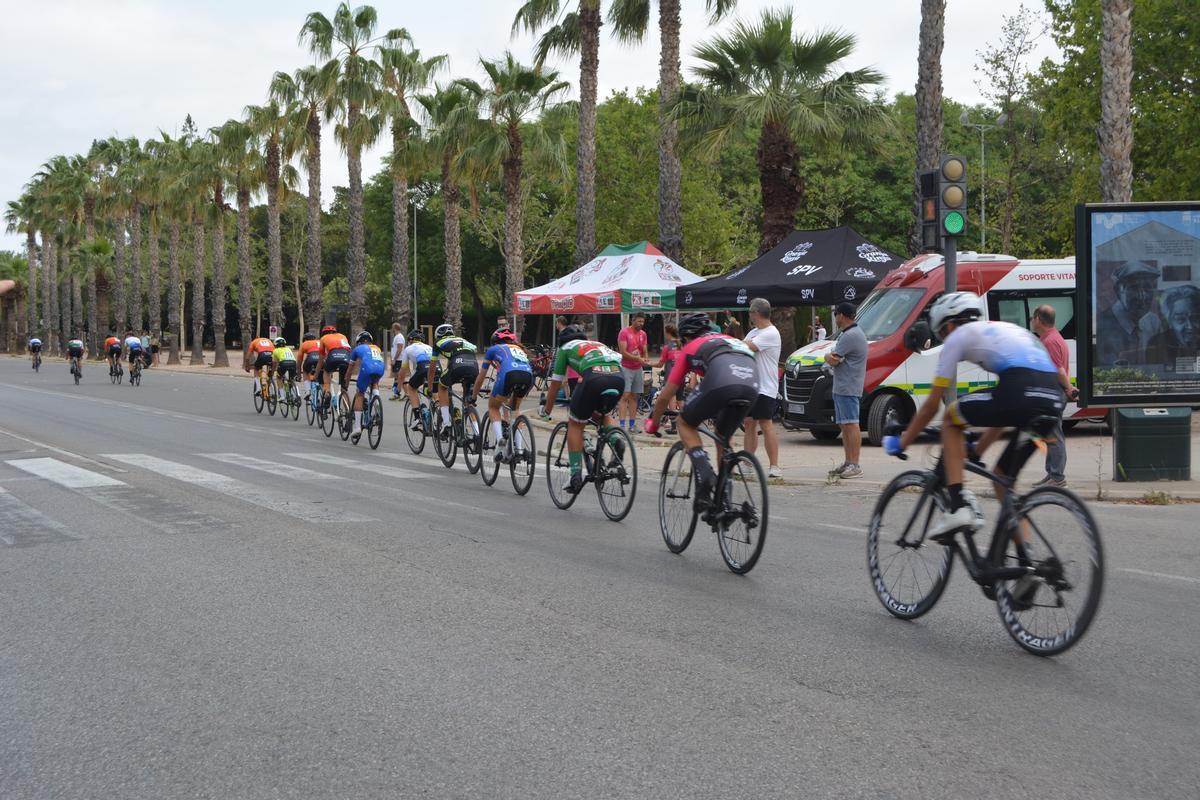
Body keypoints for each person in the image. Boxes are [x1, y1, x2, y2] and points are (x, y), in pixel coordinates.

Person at [884, 292, 1065, 542]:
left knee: (950, 416)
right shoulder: (1004, 331)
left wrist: (902, 442)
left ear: (948, 325)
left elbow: (930, 406)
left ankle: (957, 507)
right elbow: (1003, 411)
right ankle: (1028, 563)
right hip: (1051, 403)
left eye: (941, 334)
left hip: (1021, 393)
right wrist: (977, 452)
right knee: (1002, 482)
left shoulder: (959, 336)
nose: (944, 340)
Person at [645, 313, 760, 510]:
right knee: (723, 437)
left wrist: (653, 423)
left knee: (684, 422)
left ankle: (705, 473)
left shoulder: (691, 347)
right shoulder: (732, 339)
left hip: (721, 381)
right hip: (752, 384)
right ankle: (724, 498)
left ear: (686, 337)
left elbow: (666, 396)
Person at [539, 325, 625, 494]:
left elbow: (556, 384)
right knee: (603, 414)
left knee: (575, 425)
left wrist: (547, 409)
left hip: (594, 378)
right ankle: (616, 439)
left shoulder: (565, 348)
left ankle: (575, 476)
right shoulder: (596, 344)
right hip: (618, 377)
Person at [1031, 305, 1079, 488]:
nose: (1031, 322)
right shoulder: (1053, 337)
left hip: (1052, 393)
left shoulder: (1050, 341)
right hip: (1053, 392)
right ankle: (1052, 473)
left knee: (1054, 435)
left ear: (1038, 320)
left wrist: (1068, 388)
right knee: (1050, 434)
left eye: (1032, 318)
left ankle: (1057, 477)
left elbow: (1058, 369)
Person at [474, 328, 534, 462]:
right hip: (528, 376)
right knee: (515, 409)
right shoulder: (520, 349)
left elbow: (481, 377)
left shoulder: (493, 349)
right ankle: (518, 449)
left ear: (495, 342)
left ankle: (500, 440)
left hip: (509, 375)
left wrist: (473, 396)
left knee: (493, 407)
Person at [824, 302, 868, 479]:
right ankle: (848, 461)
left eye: (836, 314)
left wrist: (827, 356)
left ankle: (855, 464)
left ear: (841, 315)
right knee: (844, 424)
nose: (835, 318)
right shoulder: (849, 334)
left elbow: (834, 359)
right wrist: (832, 357)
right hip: (842, 386)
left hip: (849, 386)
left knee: (851, 423)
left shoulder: (851, 335)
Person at [743, 298, 783, 478]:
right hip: (751, 386)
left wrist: (727, 341)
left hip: (766, 387)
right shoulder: (753, 331)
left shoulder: (771, 333)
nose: (750, 316)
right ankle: (747, 462)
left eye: (751, 313)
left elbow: (747, 347)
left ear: (756, 313)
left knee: (766, 424)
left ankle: (774, 466)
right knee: (749, 423)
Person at [1096, 261, 1162, 365]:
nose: (1142, 296)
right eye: (1134, 288)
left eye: (1147, 288)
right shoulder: (1102, 323)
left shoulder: (1153, 322)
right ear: (1118, 291)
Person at [427, 322, 479, 438]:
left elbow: (432, 368)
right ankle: (477, 433)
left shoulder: (438, 343)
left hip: (457, 366)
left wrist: (430, 387)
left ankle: (446, 423)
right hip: (474, 367)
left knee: (442, 386)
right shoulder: (463, 340)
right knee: (468, 402)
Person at [1145, 284, 1200, 369]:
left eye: (1195, 318)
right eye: (1180, 319)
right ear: (1168, 321)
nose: (1190, 326)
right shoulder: (1157, 344)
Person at [347, 331, 387, 443]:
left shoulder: (357, 349)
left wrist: (346, 382)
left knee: (360, 394)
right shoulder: (377, 348)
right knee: (374, 382)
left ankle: (357, 427)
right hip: (380, 368)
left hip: (367, 369)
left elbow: (350, 369)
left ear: (359, 342)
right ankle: (376, 401)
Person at [617, 312, 649, 433]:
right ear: (633, 320)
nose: (641, 324)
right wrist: (638, 359)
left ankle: (632, 425)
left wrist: (645, 358)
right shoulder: (624, 332)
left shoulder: (643, 334)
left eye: (643, 322)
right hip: (626, 367)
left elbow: (645, 349)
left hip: (637, 368)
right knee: (625, 396)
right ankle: (622, 426)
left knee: (635, 397)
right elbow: (623, 352)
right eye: (639, 321)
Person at [398, 329, 435, 425]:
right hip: (436, 368)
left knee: (411, 388)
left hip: (423, 368)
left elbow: (403, 371)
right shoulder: (429, 347)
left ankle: (417, 418)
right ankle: (440, 416)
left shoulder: (408, 349)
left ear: (410, 340)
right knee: (435, 391)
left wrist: (399, 387)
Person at [314, 325, 352, 409]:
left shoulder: (323, 338)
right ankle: (349, 412)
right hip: (346, 357)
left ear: (323, 333)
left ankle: (327, 392)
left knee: (326, 371)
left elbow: (320, 361)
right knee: (343, 389)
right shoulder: (343, 336)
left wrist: (315, 376)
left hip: (333, 356)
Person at [243, 333, 276, 398]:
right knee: (269, 372)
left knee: (256, 368)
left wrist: (247, 367)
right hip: (272, 355)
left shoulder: (253, 342)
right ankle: (269, 384)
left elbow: (247, 358)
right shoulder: (268, 340)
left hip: (262, 355)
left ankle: (258, 387)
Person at [297, 332, 322, 396]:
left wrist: (299, 376)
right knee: (323, 372)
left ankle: (308, 391)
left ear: (305, 340)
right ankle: (325, 392)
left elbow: (299, 361)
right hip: (322, 359)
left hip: (311, 358)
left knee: (305, 370)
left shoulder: (304, 344)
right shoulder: (320, 342)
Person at [388, 322, 406, 400]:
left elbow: (399, 349)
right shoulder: (397, 337)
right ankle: (397, 393)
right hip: (397, 359)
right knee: (397, 377)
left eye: (392, 328)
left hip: (399, 359)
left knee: (400, 377)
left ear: (395, 328)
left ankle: (403, 393)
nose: (391, 329)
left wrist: (394, 359)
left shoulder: (399, 337)